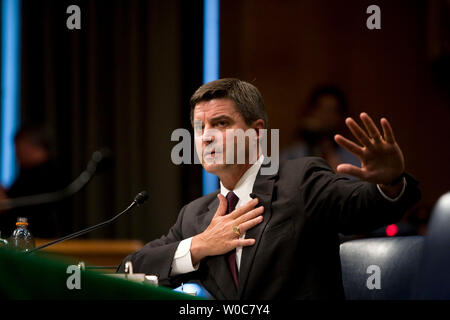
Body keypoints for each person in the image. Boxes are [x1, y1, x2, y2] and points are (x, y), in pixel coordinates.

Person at [118, 78, 420, 299]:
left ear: (256, 132)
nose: (206, 137)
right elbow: (130, 268)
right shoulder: (195, 216)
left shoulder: (301, 179)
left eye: (221, 123)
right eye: (199, 128)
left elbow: (363, 206)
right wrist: (199, 246)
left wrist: (389, 183)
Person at [0, 125, 66, 238]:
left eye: (17, 148)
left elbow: (26, 209)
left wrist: (5, 201)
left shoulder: (44, 174)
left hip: (38, 243)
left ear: (27, 146)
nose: (16, 154)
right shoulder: (32, 172)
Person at [281, 85, 360, 171]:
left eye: (332, 111)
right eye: (322, 110)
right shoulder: (292, 154)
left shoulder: (352, 156)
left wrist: (328, 148)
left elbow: (354, 182)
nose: (326, 117)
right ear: (311, 112)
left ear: (340, 116)